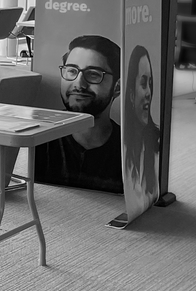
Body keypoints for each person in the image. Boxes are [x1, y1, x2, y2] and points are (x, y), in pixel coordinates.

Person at [35, 34, 123, 193]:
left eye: (94, 74)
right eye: (71, 71)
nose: (79, 83)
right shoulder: (41, 139)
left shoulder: (127, 148)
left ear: (117, 87)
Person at [122, 44, 160, 206]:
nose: (148, 93)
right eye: (143, 83)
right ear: (130, 94)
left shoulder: (155, 143)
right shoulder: (123, 145)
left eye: (150, 84)